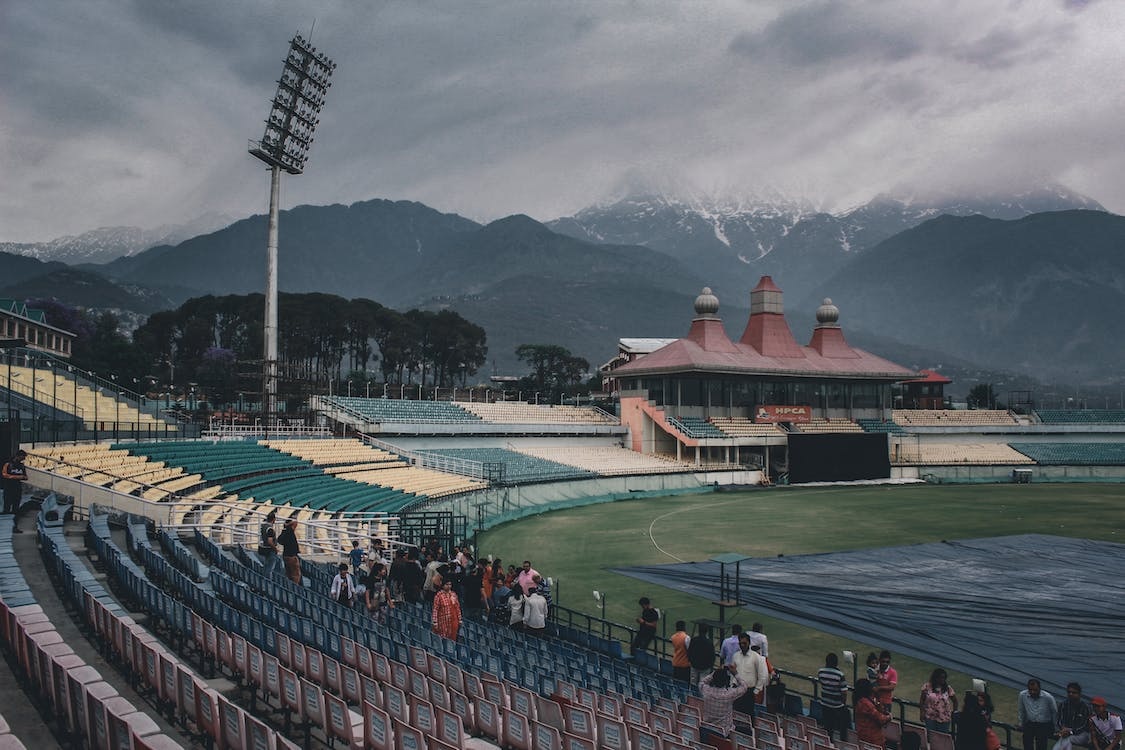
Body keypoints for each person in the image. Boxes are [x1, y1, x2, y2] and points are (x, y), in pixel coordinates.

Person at [699, 668, 749, 738]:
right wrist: (735, 674)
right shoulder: (729, 694)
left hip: (706, 729)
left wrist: (713, 673)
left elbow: (702, 682)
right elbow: (744, 687)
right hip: (724, 733)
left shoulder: (706, 690)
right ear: (726, 681)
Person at [728, 633, 769, 716]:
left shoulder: (756, 657)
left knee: (748, 716)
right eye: (740, 643)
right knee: (735, 714)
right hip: (737, 690)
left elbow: (762, 675)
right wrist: (731, 685)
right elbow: (733, 672)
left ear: (749, 643)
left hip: (749, 692)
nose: (742, 645)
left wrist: (756, 691)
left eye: (744, 643)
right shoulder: (736, 656)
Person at [817, 652, 850, 741]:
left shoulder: (821, 672)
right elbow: (844, 692)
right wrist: (843, 703)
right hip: (837, 705)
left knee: (828, 727)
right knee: (843, 727)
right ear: (836, 663)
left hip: (825, 703)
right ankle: (843, 742)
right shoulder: (840, 675)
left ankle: (829, 742)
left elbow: (822, 683)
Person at [1018, 678, 1058, 750]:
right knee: (1027, 742)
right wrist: (1021, 723)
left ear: (1040, 688)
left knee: (1041, 745)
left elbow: (1054, 712)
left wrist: (1056, 728)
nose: (1032, 692)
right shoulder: (1022, 695)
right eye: (1030, 690)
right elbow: (1021, 710)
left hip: (1044, 725)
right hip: (1030, 723)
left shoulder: (1048, 697)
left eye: (1035, 690)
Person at [1054, 682, 1092, 750]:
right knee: (1066, 739)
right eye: (1069, 692)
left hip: (1082, 734)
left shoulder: (1085, 707)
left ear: (1079, 694)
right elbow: (1059, 720)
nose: (1070, 694)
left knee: (1068, 739)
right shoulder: (1063, 705)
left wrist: (1071, 731)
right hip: (1065, 733)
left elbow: (1084, 725)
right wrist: (1063, 729)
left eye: (1074, 692)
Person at [854, 679, 891, 749]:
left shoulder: (860, 700)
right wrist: (889, 717)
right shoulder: (865, 703)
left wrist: (877, 696)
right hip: (873, 739)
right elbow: (881, 718)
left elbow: (880, 709)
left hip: (865, 737)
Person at [920, 668, 959, 733]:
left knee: (942, 737)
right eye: (941, 677)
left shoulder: (948, 688)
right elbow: (922, 700)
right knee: (931, 736)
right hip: (930, 716)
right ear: (935, 678)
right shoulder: (927, 687)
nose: (942, 679)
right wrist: (922, 712)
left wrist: (954, 713)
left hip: (944, 718)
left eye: (944, 678)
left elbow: (955, 701)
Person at [2, 449, 28, 533]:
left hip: (17, 490)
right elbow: (4, 474)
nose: (23, 459)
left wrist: (15, 477)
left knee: (16, 509)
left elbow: (25, 477)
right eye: (22, 457)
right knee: (6, 508)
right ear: (18, 456)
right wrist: (16, 477)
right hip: (8, 489)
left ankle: (15, 527)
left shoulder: (22, 466)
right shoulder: (8, 464)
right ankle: (5, 528)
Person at [277, 518, 301, 584]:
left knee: (289, 574)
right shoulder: (290, 530)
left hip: (285, 555)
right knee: (296, 574)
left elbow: (279, 541)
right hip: (292, 556)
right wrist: (288, 524)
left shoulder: (283, 532)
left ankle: (290, 586)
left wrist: (286, 525)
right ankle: (295, 588)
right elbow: (295, 522)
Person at [257, 509, 280, 578]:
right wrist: (275, 549)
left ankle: (264, 580)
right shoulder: (270, 529)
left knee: (266, 566)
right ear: (274, 519)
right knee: (269, 568)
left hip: (265, 549)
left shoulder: (263, 526)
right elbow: (270, 541)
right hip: (270, 550)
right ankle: (268, 582)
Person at [874, 650, 898, 714]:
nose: (885, 663)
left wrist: (879, 688)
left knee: (885, 721)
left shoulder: (892, 672)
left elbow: (892, 687)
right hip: (873, 699)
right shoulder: (874, 669)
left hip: (886, 702)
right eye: (883, 661)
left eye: (887, 662)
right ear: (879, 660)